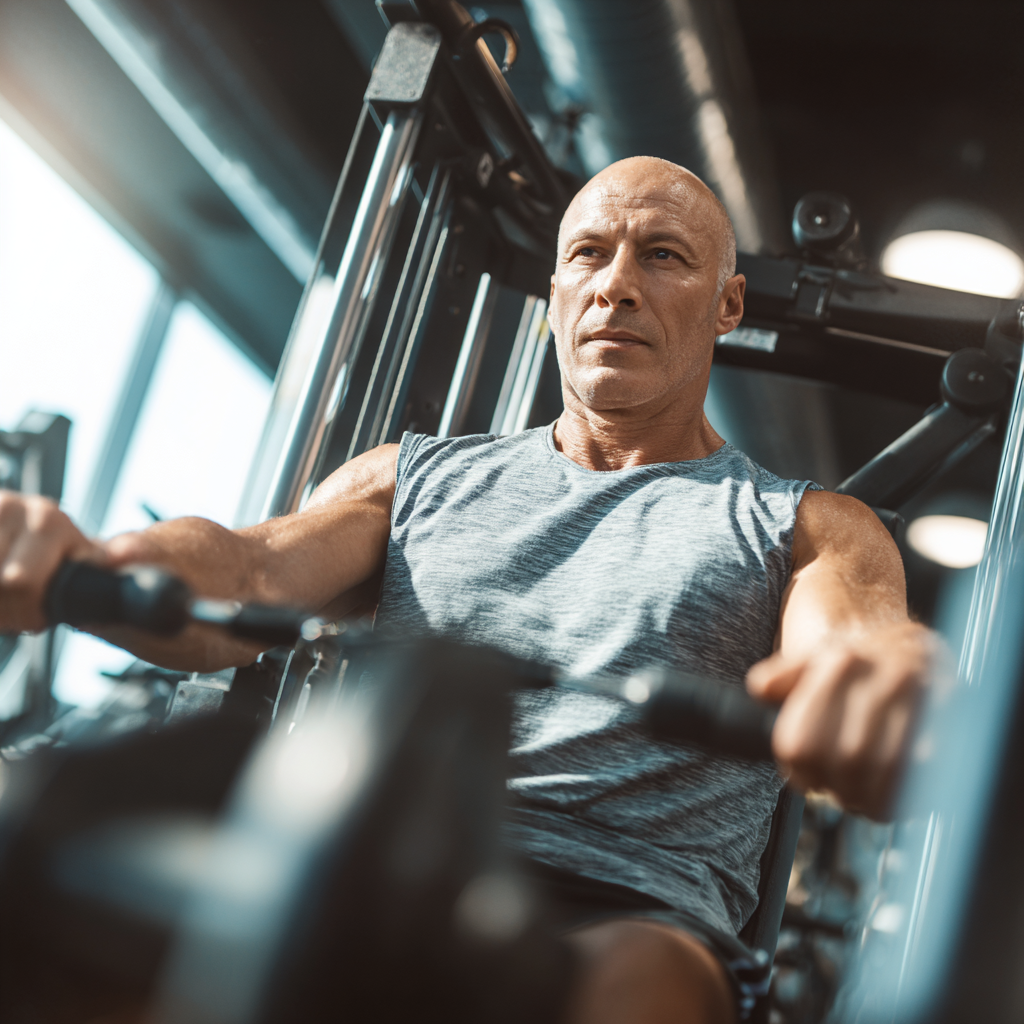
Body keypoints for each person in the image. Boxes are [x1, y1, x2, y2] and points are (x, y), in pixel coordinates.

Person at [0, 156, 934, 1024]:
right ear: (557, 292)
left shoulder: (807, 524)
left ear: (728, 304)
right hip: (381, 845)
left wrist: (888, 684)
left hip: (626, 907)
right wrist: (96, 564)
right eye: (587, 255)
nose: (616, 283)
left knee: (639, 984)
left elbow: (855, 644)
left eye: (662, 255)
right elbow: (247, 568)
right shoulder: (413, 479)